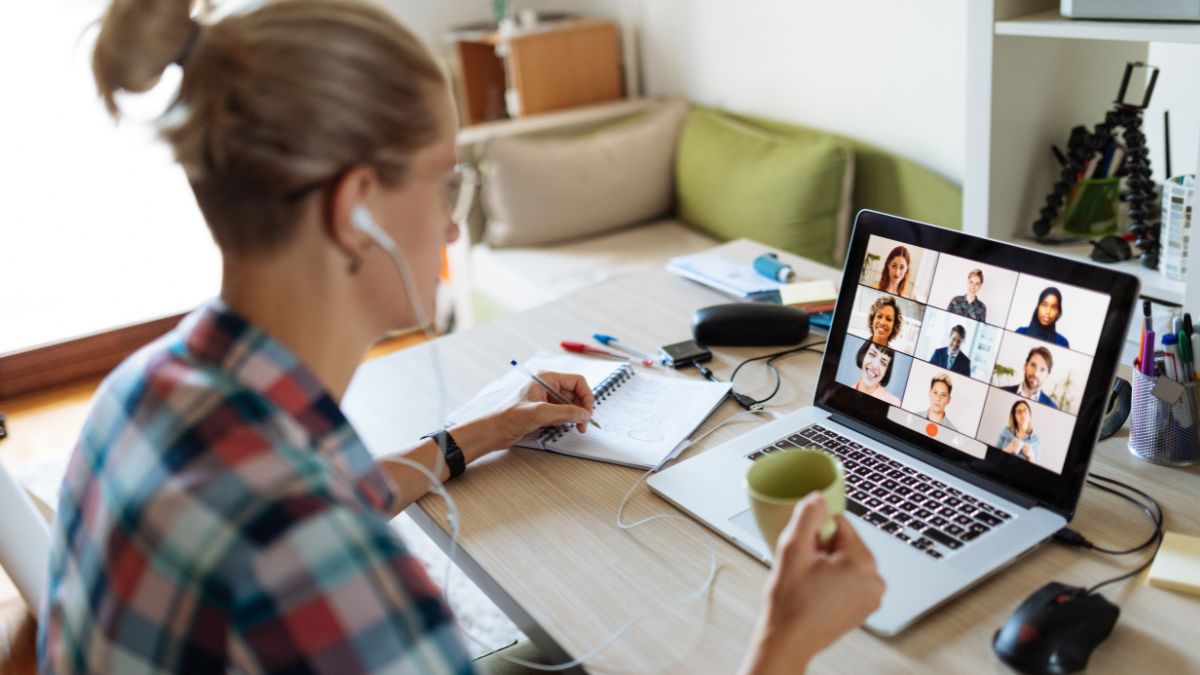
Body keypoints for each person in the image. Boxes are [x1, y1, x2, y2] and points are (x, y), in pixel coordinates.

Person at [40, 1, 884, 672]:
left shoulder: (151, 385)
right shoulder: (314, 556)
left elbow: (325, 491)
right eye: (444, 182)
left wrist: (488, 430)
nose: (449, 229)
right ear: (352, 210)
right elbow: (306, 528)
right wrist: (786, 642)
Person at [852, 340, 902, 405]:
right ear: (863, 355)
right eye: (872, 354)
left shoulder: (895, 404)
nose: (875, 365)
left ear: (886, 371)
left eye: (883, 362)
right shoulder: (841, 393)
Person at [997, 400, 1040, 464]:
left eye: (1025, 411)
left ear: (1030, 414)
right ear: (1014, 416)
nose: (1023, 414)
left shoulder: (1035, 439)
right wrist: (1007, 449)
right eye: (1019, 412)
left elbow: (1037, 470)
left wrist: (1031, 456)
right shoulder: (1006, 431)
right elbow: (993, 456)